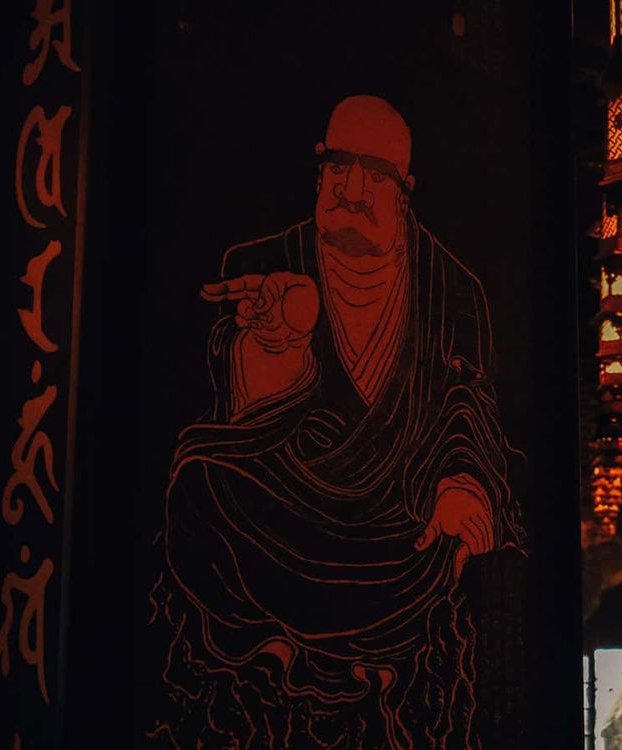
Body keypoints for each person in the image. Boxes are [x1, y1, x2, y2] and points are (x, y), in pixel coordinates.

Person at [160, 94, 524, 747]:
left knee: (446, 549)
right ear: (319, 172)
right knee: (196, 484)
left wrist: (460, 485)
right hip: (282, 521)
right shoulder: (262, 265)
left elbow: (468, 411)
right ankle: (278, 648)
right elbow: (236, 423)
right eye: (339, 167)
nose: (353, 189)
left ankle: (342, 657)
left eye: (375, 174)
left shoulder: (453, 289)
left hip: (392, 540)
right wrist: (276, 349)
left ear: (404, 190)